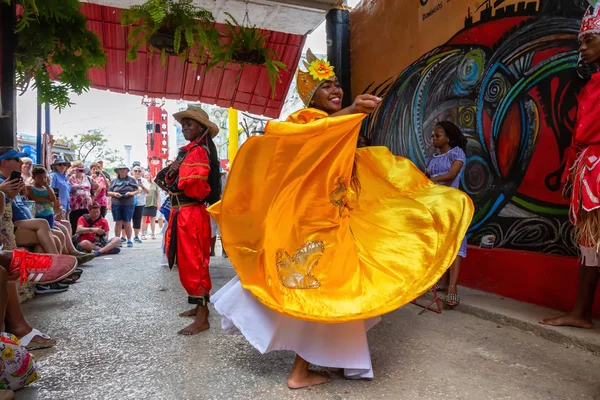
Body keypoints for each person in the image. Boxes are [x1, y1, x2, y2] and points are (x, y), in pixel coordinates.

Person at [209, 50, 473, 388]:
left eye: (337, 85)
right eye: (326, 87)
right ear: (311, 97)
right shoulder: (305, 121)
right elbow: (311, 139)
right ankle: (300, 372)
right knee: (327, 292)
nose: (336, 91)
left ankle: (338, 361)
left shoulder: (340, 125)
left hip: (331, 219)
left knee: (340, 291)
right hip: (311, 224)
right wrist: (351, 111)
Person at [540, 6, 600, 329]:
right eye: (581, 41)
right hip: (590, 173)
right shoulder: (591, 84)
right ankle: (581, 313)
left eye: (589, 39)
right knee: (589, 244)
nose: (582, 46)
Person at [156, 105, 221, 336]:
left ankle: (203, 317)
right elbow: (164, 179)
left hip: (190, 213)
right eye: (183, 123)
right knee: (188, 262)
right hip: (182, 213)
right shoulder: (189, 151)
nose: (184, 126)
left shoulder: (198, 152)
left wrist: (174, 175)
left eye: (189, 123)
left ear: (201, 128)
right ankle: (198, 308)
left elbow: (191, 188)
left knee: (195, 263)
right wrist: (173, 174)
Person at [426, 121, 468, 306]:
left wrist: (432, 180)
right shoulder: (432, 159)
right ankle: (443, 282)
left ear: (448, 137)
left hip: (452, 204)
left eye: (438, 135)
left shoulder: (457, 153)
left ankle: (453, 287)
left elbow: (452, 175)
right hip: (436, 205)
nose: (434, 139)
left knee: (456, 244)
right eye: (433, 136)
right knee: (441, 244)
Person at [107, 165, 139, 248]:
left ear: (127, 171)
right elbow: (109, 192)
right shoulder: (114, 180)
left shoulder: (131, 180)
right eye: (120, 169)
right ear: (117, 171)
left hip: (128, 203)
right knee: (118, 222)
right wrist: (114, 194)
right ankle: (117, 240)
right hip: (116, 202)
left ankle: (129, 240)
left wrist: (130, 193)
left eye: (123, 169)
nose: (121, 171)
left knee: (127, 222)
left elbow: (137, 190)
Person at [68, 161, 98, 234]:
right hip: (75, 206)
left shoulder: (87, 178)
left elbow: (97, 186)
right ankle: (75, 240)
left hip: (86, 205)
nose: (80, 169)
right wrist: (70, 174)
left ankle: (85, 239)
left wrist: (93, 197)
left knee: (86, 222)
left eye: (82, 167)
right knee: (74, 223)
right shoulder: (70, 178)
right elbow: (67, 187)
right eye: (78, 167)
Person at [49, 157, 71, 221]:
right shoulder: (53, 175)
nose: (62, 166)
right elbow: (51, 189)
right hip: (58, 206)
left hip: (66, 206)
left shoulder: (65, 177)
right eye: (60, 164)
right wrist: (56, 205)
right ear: (55, 166)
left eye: (64, 164)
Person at [131, 166, 149, 243]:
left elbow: (148, 191)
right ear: (132, 172)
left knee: (137, 219)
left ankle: (136, 236)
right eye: (135, 171)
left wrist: (142, 186)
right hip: (128, 202)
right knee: (126, 219)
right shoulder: (129, 180)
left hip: (140, 203)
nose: (137, 172)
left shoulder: (144, 180)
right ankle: (123, 237)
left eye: (139, 171)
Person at [141, 171, 160, 240]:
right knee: (143, 218)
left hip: (153, 203)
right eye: (145, 175)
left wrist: (158, 203)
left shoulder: (154, 184)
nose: (147, 176)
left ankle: (153, 233)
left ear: (150, 176)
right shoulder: (142, 184)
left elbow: (158, 194)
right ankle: (142, 234)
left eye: (148, 175)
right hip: (144, 203)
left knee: (152, 219)